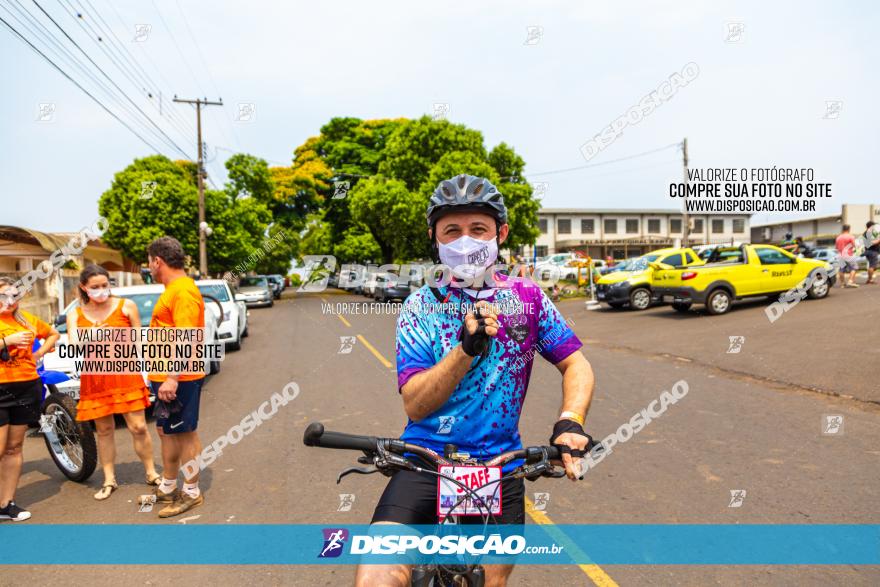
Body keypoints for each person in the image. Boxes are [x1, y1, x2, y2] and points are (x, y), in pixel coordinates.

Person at [355, 175, 595, 587]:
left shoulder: (528, 299)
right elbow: (415, 404)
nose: (465, 241)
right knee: (377, 576)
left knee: (487, 581)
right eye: (452, 230)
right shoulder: (421, 305)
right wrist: (464, 350)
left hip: (499, 468)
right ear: (435, 238)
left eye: (478, 229)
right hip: (424, 460)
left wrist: (570, 421)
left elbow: (577, 365)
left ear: (500, 233)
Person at [67, 265, 159, 500]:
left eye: (104, 285)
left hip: (126, 374)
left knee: (138, 427)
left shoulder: (126, 306)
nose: (100, 291)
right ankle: (109, 479)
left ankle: (151, 472)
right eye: (94, 287)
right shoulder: (75, 313)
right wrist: (93, 336)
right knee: (104, 430)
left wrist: (146, 370)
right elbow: (74, 344)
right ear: (84, 288)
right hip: (96, 378)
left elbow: (139, 340)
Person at [146, 236, 206, 517]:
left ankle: (191, 492)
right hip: (165, 376)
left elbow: (186, 337)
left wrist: (172, 378)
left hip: (180, 376)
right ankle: (169, 487)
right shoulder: (173, 289)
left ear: (157, 261)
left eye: (149, 262)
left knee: (184, 433)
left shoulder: (182, 291)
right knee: (166, 432)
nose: (149, 267)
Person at [0, 277, 60, 521]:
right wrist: (7, 341)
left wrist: (37, 355)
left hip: (27, 388)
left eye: (14, 296)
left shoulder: (26, 320)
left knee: (14, 448)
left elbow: (53, 334)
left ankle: (6, 504)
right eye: (4, 295)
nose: (9, 301)